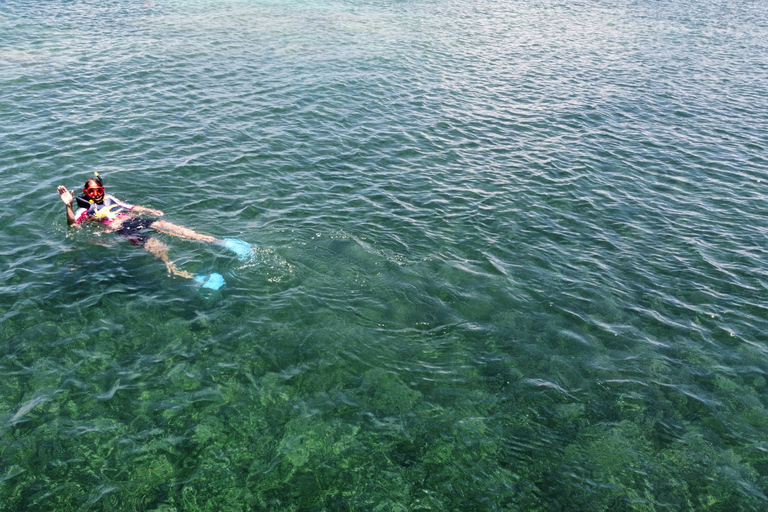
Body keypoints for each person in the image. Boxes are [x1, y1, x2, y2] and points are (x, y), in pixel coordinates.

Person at [57, 174, 253, 286]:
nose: (95, 195)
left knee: (173, 228)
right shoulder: (84, 209)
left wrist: (149, 210)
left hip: (137, 220)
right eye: (91, 192)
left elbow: (130, 207)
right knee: (160, 247)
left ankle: (223, 243)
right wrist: (68, 206)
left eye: (98, 191)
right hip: (124, 230)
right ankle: (191, 277)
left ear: (103, 189)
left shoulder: (110, 198)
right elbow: (73, 226)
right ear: (85, 193)